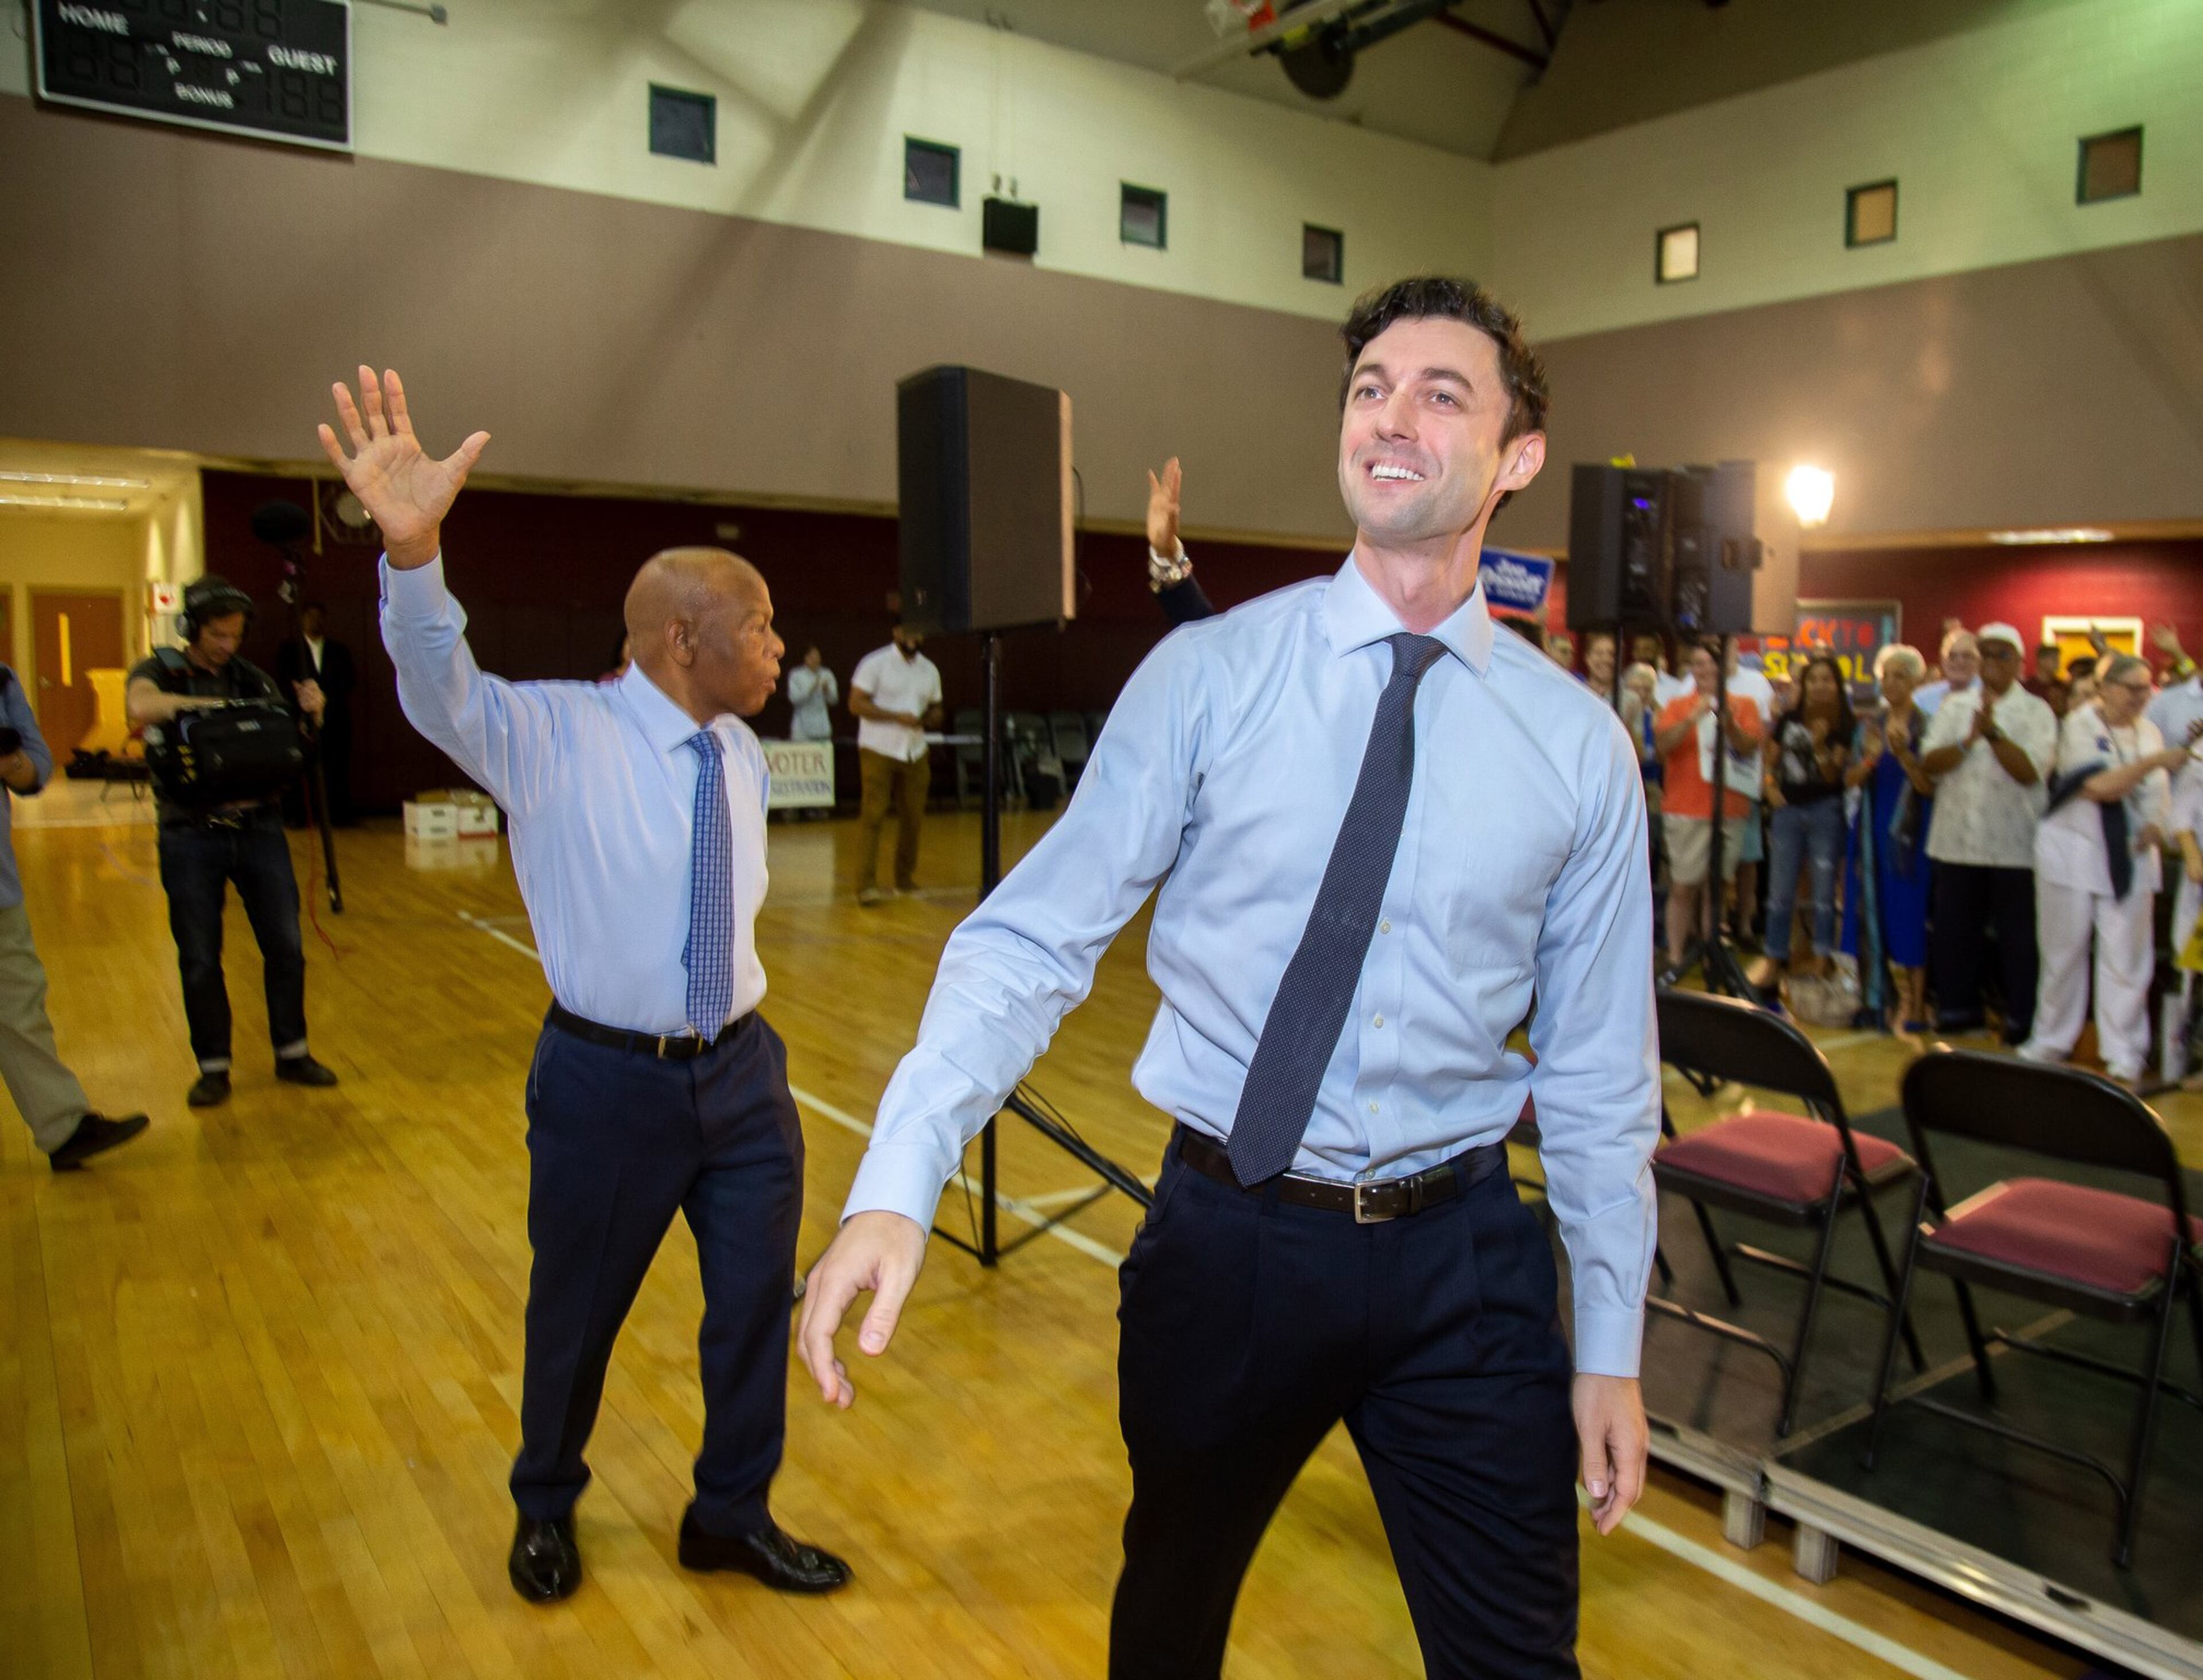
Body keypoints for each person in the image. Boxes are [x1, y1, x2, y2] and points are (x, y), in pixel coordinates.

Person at [801, 276, 1658, 1679]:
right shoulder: (1208, 678)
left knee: (1517, 1659)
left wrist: (1609, 1337)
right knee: (1170, 1620)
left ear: (1514, 459)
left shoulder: (1576, 748)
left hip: (1466, 1258)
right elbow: (1031, 940)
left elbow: (1597, 1072)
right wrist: (901, 1173)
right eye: (1369, 386)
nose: (1391, 416)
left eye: (1441, 392)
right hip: (1231, 1238)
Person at [318, 366, 848, 1607]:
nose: (778, 644)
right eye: (759, 625)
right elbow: (436, 683)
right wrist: (414, 554)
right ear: (683, 638)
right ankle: (546, 1503)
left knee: (751, 1318)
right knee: (576, 1317)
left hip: (744, 1073)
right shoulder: (548, 734)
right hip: (608, 1084)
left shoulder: (742, 755)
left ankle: (731, 1511)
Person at [125, 576, 340, 1109]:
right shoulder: (160, 669)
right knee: (200, 954)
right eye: (218, 634)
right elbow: (141, 705)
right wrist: (213, 710)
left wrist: (314, 712)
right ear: (191, 629)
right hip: (189, 834)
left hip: (261, 830)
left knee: (286, 947)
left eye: (236, 635)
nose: (227, 645)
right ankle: (213, 1066)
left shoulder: (254, 677)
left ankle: (293, 1051)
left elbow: (292, 743)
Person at [0, 664, 149, 1169]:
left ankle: (63, 1128)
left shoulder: (2, 681)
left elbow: (37, 770)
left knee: (20, 1006)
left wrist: (7, 758)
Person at [2019, 654, 2188, 1086]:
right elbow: (2097, 787)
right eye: (2131, 687)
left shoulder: (2150, 732)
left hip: (2130, 855)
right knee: (2063, 952)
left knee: (2127, 958)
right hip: (2073, 851)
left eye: (2146, 688)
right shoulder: (2080, 725)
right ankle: (2051, 1039)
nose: (2139, 697)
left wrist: (2156, 822)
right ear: (2106, 688)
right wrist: (2153, 764)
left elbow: (2159, 794)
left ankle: (2124, 1051)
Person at [1917, 622, 2058, 1040]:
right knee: (1954, 932)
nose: (1993, 662)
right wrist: (1967, 740)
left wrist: (1992, 733)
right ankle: (1960, 1011)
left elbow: (2030, 772)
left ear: (2019, 662)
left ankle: (2019, 1019)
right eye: (1987, 654)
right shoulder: (1955, 707)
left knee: (2017, 937)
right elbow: (1929, 762)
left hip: (2014, 845)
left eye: (2003, 655)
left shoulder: (2038, 711)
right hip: (1956, 840)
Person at [1655, 641, 1763, 980]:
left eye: (1711, 664)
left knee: (1716, 889)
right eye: (1698, 664)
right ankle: (1675, 956)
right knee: (1684, 886)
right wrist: (1691, 718)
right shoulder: (1675, 705)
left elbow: (1749, 747)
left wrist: (1728, 724)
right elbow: (1663, 747)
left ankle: (1711, 953)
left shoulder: (1744, 705)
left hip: (1729, 809)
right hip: (1686, 808)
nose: (1704, 671)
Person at [1843, 645, 1936, 1031]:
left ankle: (1916, 1004)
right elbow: (1847, 780)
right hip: (1870, 830)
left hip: (1911, 833)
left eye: (1901, 675)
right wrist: (1870, 759)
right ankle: (1876, 999)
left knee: (1911, 913)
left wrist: (1904, 756)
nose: (1892, 683)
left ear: (1916, 681)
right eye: (1887, 675)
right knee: (1871, 909)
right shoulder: (1868, 726)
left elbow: (1929, 786)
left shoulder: (1928, 725)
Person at [1749, 654, 1852, 989]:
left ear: (1837, 686)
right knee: (1780, 892)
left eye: (1827, 680)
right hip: (1788, 812)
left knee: (1825, 893)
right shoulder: (1790, 718)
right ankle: (1774, 956)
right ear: (1804, 684)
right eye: (1814, 679)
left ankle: (1823, 957)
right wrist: (1769, 787)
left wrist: (1821, 745)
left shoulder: (1845, 723)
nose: (1820, 685)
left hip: (1826, 810)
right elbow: (1770, 757)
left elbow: (1833, 774)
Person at [848, 626, 943, 906]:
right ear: (896, 632)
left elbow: (937, 707)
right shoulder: (874, 663)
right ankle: (866, 886)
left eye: (919, 633)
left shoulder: (930, 670)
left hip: (915, 751)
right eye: (909, 632)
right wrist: (895, 717)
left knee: (913, 820)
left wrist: (930, 718)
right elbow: (856, 704)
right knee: (873, 816)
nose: (914, 638)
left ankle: (905, 881)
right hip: (878, 749)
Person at [275, 602, 358, 826]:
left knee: (336, 767)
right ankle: (301, 816)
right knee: (304, 768)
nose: (316, 622)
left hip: (334, 717)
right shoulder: (290, 649)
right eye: (311, 617)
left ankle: (336, 815)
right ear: (302, 620)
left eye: (320, 617)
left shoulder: (338, 650)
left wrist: (324, 697)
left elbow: (349, 680)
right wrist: (304, 700)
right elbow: (284, 681)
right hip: (302, 718)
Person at [1914, 627, 1979, 716]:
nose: (1959, 662)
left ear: (1979, 660)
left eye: (1967, 656)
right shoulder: (1922, 698)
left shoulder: (1990, 699)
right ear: (1942, 660)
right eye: (1952, 656)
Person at [786, 646, 838, 742]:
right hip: (802, 730)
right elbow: (794, 699)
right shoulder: (796, 675)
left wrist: (827, 691)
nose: (816, 660)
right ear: (806, 658)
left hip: (822, 727)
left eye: (817, 657)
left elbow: (834, 701)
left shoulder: (827, 674)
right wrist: (811, 689)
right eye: (812, 657)